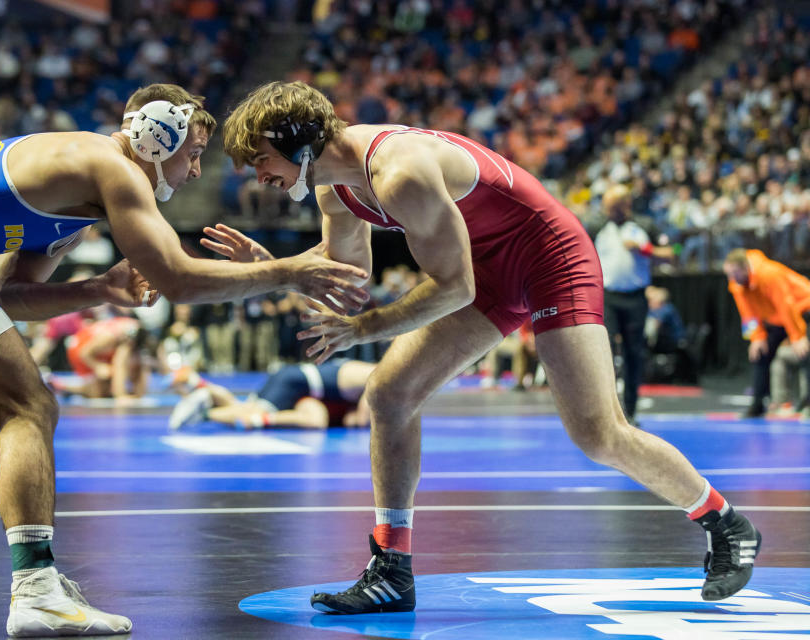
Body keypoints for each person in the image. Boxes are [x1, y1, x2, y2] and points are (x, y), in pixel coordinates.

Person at [213, 80, 761, 614]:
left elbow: (452, 289)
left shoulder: (399, 171)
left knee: (598, 434)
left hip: (549, 259)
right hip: (484, 271)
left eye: (261, 158)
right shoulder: (337, 188)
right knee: (389, 394)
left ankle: (726, 523)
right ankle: (391, 568)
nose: (258, 176)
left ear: (297, 141)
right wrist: (274, 271)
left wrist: (366, 329)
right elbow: (348, 284)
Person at [0, 82, 369, 637]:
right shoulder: (112, 166)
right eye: (193, 153)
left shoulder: (75, 186)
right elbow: (180, 280)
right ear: (156, 133)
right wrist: (289, 270)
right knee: (29, 409)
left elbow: (8, 296)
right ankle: (37, 591)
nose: (195, 172)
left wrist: (98, 288)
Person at [594, 184, 677, 424]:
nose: (606, 211)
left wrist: (645, 249)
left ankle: (629, 411)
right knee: (604, 352)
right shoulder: (598, 226)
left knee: (633, 353)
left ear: (624, 206)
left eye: (611, 207)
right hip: (608, 297)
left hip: (635, 298)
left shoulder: (644, 226)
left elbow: (674, 252)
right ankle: (606, 410)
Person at [722, 248, 810, 419]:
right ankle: (757, 405)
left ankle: (808, 404)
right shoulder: (736, 284)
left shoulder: (770, 274)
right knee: (760, 353)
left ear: (745, 268)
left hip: (804, 309)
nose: (731, 279)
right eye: (728, 274)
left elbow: (787, 305)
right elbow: (747, 314)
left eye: (734, 273)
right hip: (779, 319)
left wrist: (798, 336)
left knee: (805, 353)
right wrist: (757, 338)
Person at [167, 358, 374, 430]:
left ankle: (196, 382)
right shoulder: (378, 376)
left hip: (296, 381)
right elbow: (364, 417)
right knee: (249, 413)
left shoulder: (371, 373)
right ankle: (203, 411)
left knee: (243, 406)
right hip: (296, 383)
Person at [48, 314, 154, 403]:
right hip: (80, 350)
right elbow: (84, 353)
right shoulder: (110, 337)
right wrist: (98, 366)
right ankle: (66, 386)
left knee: (130, 364)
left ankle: (64, 387)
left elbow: (142, 359)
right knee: (101, 390)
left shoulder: (135, 330)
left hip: (93, 350)